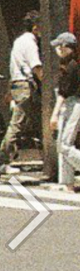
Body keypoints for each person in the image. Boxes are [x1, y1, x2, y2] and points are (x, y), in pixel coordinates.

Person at [0, 10, 42, 175]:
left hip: (17, 84)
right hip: (25, 86)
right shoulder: (30, 43)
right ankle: (0, 162)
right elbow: (36, 67)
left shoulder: (19, 41)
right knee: (17, 124)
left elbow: (14, 67)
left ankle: (50, 159)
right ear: (35, 27)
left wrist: (9, 90)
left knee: (35, 122)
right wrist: (48, 83)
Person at [49, 31, 80, 191]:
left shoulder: (72, 66)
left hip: (74, 105)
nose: (57, 50)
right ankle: (67, 183)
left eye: (59, 46)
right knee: (61, 144)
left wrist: (54, 114)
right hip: (68, 105)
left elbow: (63, 92)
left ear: (65, 47)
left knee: (65, 145)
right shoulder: (66, 64)